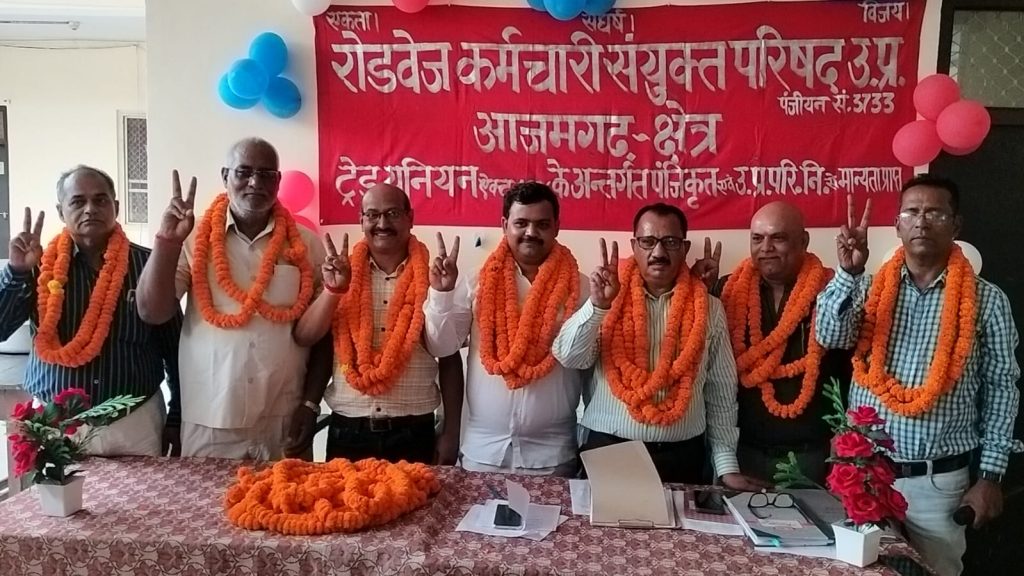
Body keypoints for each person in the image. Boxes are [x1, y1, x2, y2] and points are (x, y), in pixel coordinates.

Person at [816, 175, 1021, 576]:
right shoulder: (869, 288)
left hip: (938, 484)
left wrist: (991, 476)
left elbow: (1002, 390)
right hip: (865, 475)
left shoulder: (987, 300)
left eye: (934, 213)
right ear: (897, 225)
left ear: (956, 224)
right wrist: (848, 273)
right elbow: (830, 336)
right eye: (912, 212)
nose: (922, 222)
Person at [136, 138, 331, 460]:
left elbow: (322, 335)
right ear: (225, 176)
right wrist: (167, 241)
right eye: (244, 172)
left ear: (278, 181)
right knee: (207, 496)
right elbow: (152, 312)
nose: (255, 182)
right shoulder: (192, 237)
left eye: (266, 174)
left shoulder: (306, 244)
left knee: (287, 494)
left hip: (282, 415)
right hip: (211, 416)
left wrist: (310, 405)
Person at [552, 202, 763, 489]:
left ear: (685, 248)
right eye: (648, 241)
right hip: (609, 451)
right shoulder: (607, 299)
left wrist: (726, 466)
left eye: (670, 242)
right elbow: (569, 357)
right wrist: (598, 306)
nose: (659, 253)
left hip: (683, 458)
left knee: (682, 522)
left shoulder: (710, 309)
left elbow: (721, 392)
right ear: (634, 246)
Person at [0, 166, 181, 456]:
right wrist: (17, 270)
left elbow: (174, 348)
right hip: (55, 421)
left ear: (116, 206)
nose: (90, 209)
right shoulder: (39, 266)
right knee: (58, 490)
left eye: (100, 200)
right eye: (77, 201)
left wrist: (176, 416)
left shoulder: (149, 264)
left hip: (135, 421)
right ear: (61, 211)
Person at [422, 182, 587, 476]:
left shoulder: (582, 289)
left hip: (552, 456)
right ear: (504, 225)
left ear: (557, 227)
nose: (531, 232)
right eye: (521, 223)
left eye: (542, 224)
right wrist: (441, 295)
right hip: (483, 453)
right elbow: (441, 346)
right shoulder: (476, 282)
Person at [292, 183, 463, 465]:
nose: (382, 224)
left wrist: (451, 433)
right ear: (361, 221)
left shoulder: (437, 279)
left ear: (410, 218)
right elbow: (305, 337)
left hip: (414, 432)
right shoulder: (339, 273)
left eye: (392, 213)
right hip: (349, 431)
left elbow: (450, 359)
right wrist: (333, 291)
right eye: (372, 215)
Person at [710, 201, 851, 485]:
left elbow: (849, 365)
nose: (766, 248)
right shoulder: (727, 289)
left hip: (813, 456)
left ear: (803, 241)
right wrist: (702, 288)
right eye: (757, 238)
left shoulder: (831, 291)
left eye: (778, 238)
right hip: (741, 455)